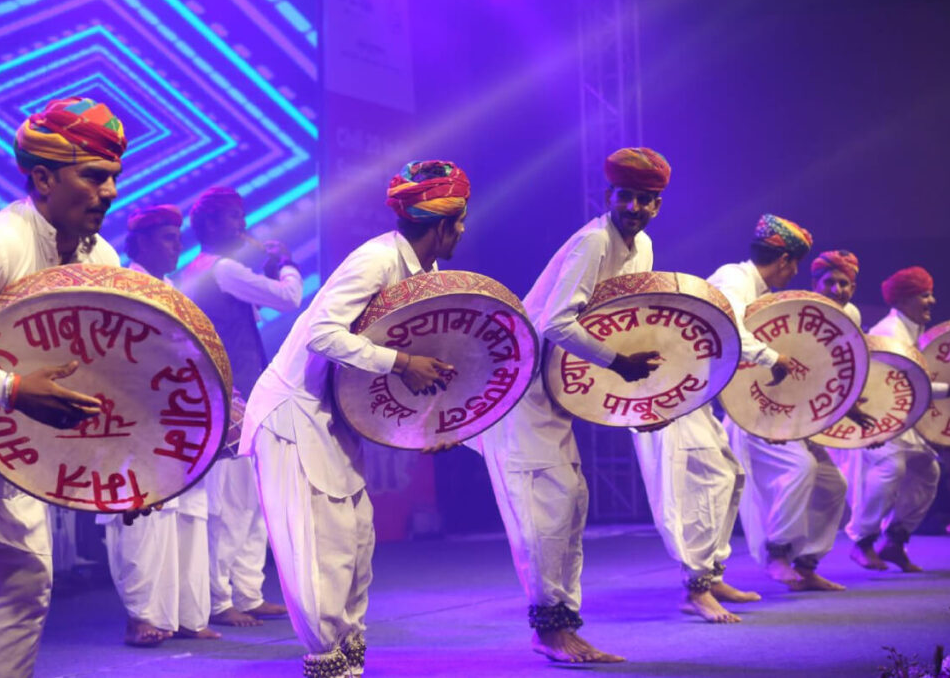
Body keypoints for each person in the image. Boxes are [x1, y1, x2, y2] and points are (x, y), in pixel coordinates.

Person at [238, 160, 469, 677]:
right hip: (295, 409)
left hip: (334, 412)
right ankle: (327, 663)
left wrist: (436, 422)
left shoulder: (425, 275)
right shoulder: (376, 259)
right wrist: (404, 363)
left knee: (356, 541)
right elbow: (323, 334)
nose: (463, 230)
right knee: (320, 548)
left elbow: (424, 358)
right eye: (459, 220)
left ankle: (348, 660)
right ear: (443, 224)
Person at [480, 147, 668, 663]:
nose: (634, 206)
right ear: (608, 196)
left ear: (657, 204)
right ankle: (549, 630)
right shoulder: (592, 243)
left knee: (570, 502)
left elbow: (628, 327)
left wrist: (639, 405)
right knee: (544, 509)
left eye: (646, 199)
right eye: (625, 196)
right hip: (521, 386)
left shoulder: (643, 247)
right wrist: (618, 364)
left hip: (557, 390)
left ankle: (562, 624)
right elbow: (555, 325)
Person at [0, 97, 126, 677]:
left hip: (9, 456)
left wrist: (128, 476)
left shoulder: (103, 258)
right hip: (5, 425)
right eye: (94, 176)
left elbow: (106, 371)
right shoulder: (0, 243)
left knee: (25, 585)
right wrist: (11, 390)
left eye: (115, 177)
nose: (110, 192)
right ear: (41, 178)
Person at [97, 205, 219, 646]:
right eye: (168, 237)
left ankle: (187, 614)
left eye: (177, 235)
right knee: (143, 514)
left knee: (187, 513)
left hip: (179, 415)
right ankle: (141, 616)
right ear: (141, 243)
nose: (178, 244)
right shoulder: (127, 285)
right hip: (133, 414)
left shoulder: (172, 288)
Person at [177, 187, 297, 627]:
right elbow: (288, 298)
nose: (241, 225)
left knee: (249, 501)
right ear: (207, 225)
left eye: (241, 215)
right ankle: (219, 599)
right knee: (230, 504)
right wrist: (285, 264)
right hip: (232, 395)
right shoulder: (221, 269)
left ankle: (246, 592)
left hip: (242, 392)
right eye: (232, 216)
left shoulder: (211, 269)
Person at [717, 217, 851, 592]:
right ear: (785, 261)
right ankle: (776, 553)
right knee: (800, 467)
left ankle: (806, 563)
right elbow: (728, 332)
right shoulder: (735, 281)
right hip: (748, 408)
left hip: (784, 408)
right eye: (794, 266)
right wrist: (774, 358)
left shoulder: (772, 296)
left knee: (832, 484)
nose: (794, 274)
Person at [843, 267, 950, 572]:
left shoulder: (913, 330)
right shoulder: (889, 332)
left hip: (901, 420)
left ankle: (895, 540)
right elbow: (905, 384)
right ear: (904, 300)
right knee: (890, 468)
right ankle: (862, 542)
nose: (932, 301)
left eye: (930, 293)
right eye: (924, 294)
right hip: (878, 418)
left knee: (926, 470)